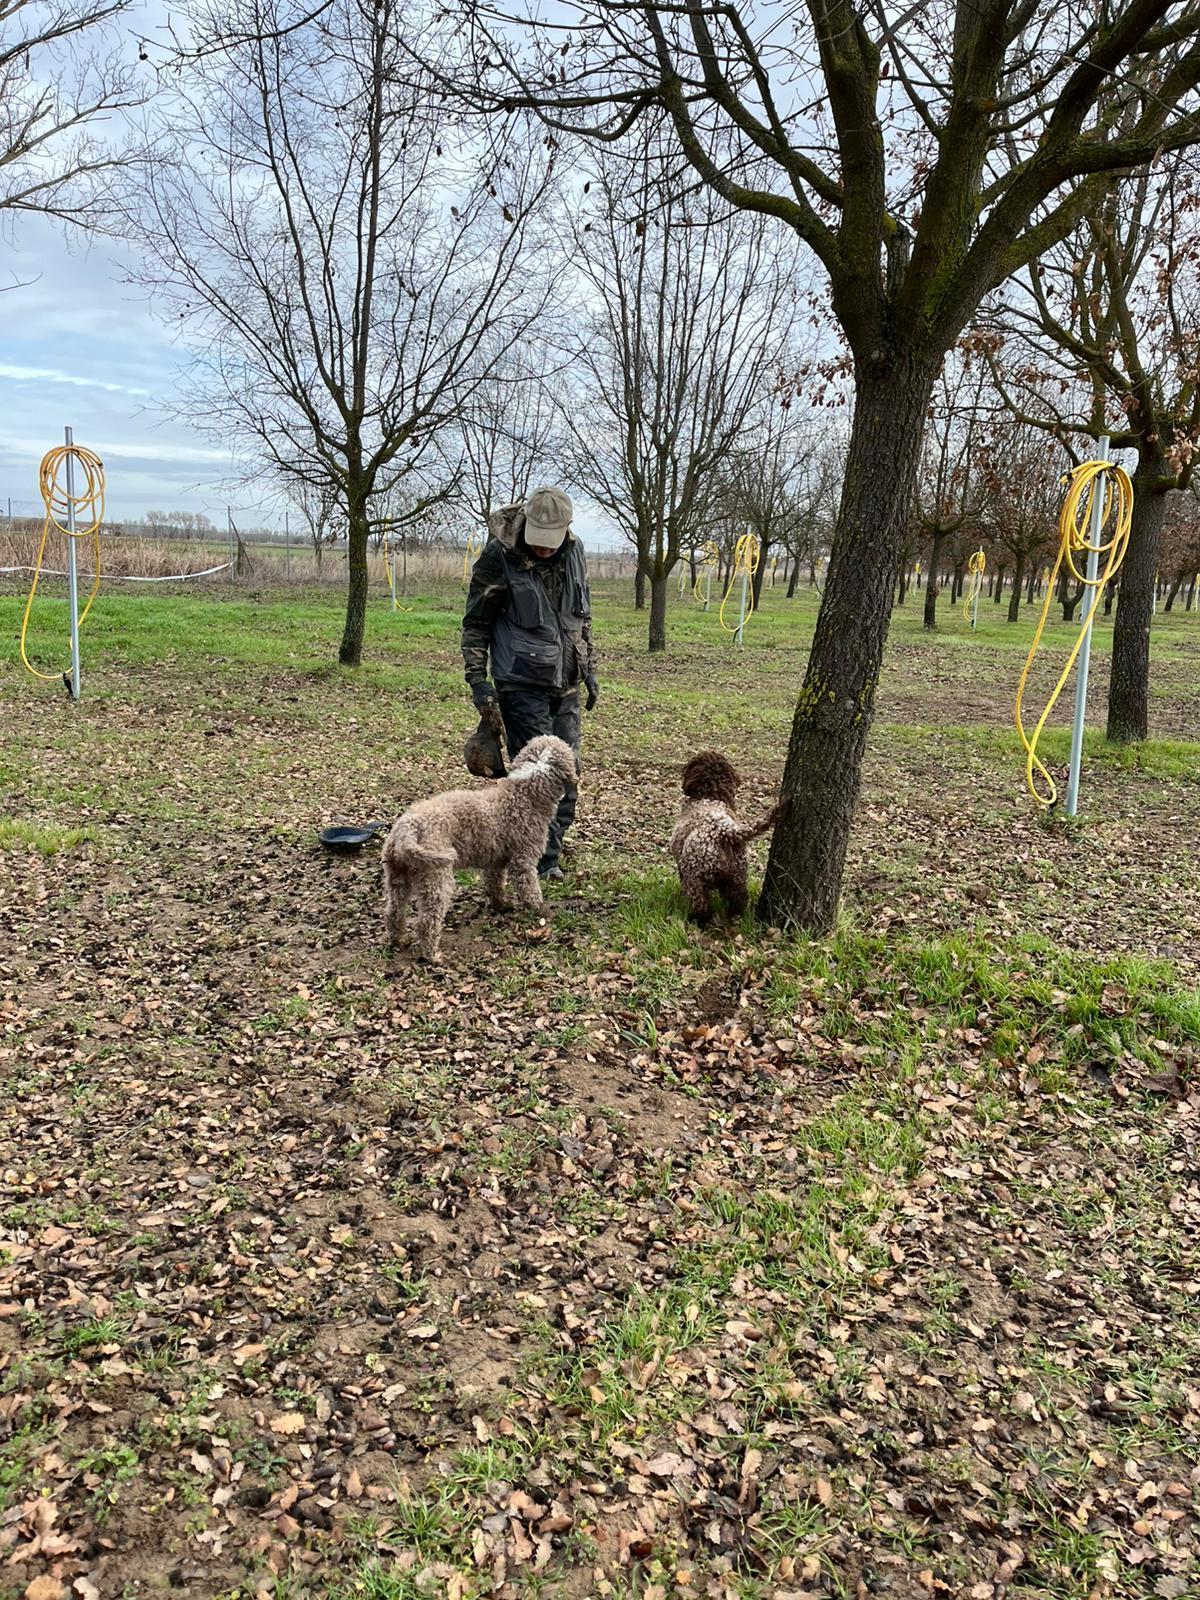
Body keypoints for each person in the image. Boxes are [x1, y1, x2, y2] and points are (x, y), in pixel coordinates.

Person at [462, 486, 598, 879]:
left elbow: (582, 618)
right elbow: (476, 623)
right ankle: (532, 859)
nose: (543, 549)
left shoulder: (576, 553)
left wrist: (590, 669)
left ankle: (548, 854)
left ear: (566, 530)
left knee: (569, 773)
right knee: (535, 779)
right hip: (520, 684)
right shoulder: (498, 557)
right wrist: (478, 682)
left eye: (550, 542)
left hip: (566, 683)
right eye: (537, 541)